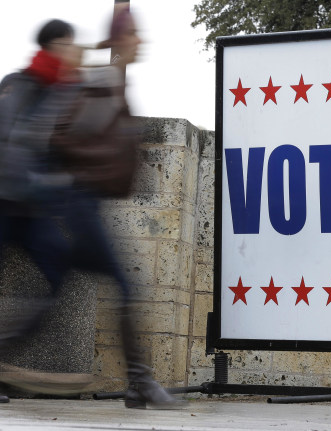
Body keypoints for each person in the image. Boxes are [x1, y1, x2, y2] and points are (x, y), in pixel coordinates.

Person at [51, 4, 186, 410]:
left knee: (52, 291)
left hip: (85, 203)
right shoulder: (103, 83)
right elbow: (65, 139)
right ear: (121, 39)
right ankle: (139, 384)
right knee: (125, 288)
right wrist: (99, 169)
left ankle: (138, 385)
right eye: (134, 33)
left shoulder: (110, 84)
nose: (140, 40)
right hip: (80, 202)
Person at [0, 18, 82, 404]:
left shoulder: (63, 92)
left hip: (32, 211)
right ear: (54, 45)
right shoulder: (18, 86)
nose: (73, 50)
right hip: (5, 200)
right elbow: (11, 146)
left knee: (58, 268)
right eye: (68, 44)